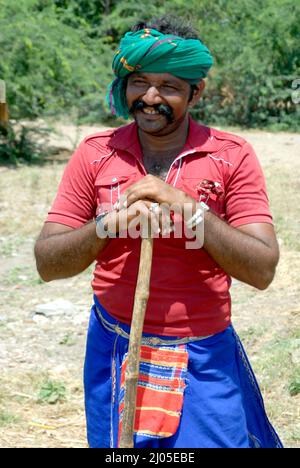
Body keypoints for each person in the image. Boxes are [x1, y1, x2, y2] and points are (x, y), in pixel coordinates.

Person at [34, 15, 283, 448]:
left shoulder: (230, 156)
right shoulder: (96, 154)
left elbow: (262, 269)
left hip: (203, 355)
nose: (150, 97)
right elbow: (47, 263)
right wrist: (108, 226)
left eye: (169, 86)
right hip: (115, 348)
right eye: (139, 82)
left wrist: (192, 212)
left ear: (196, 91)